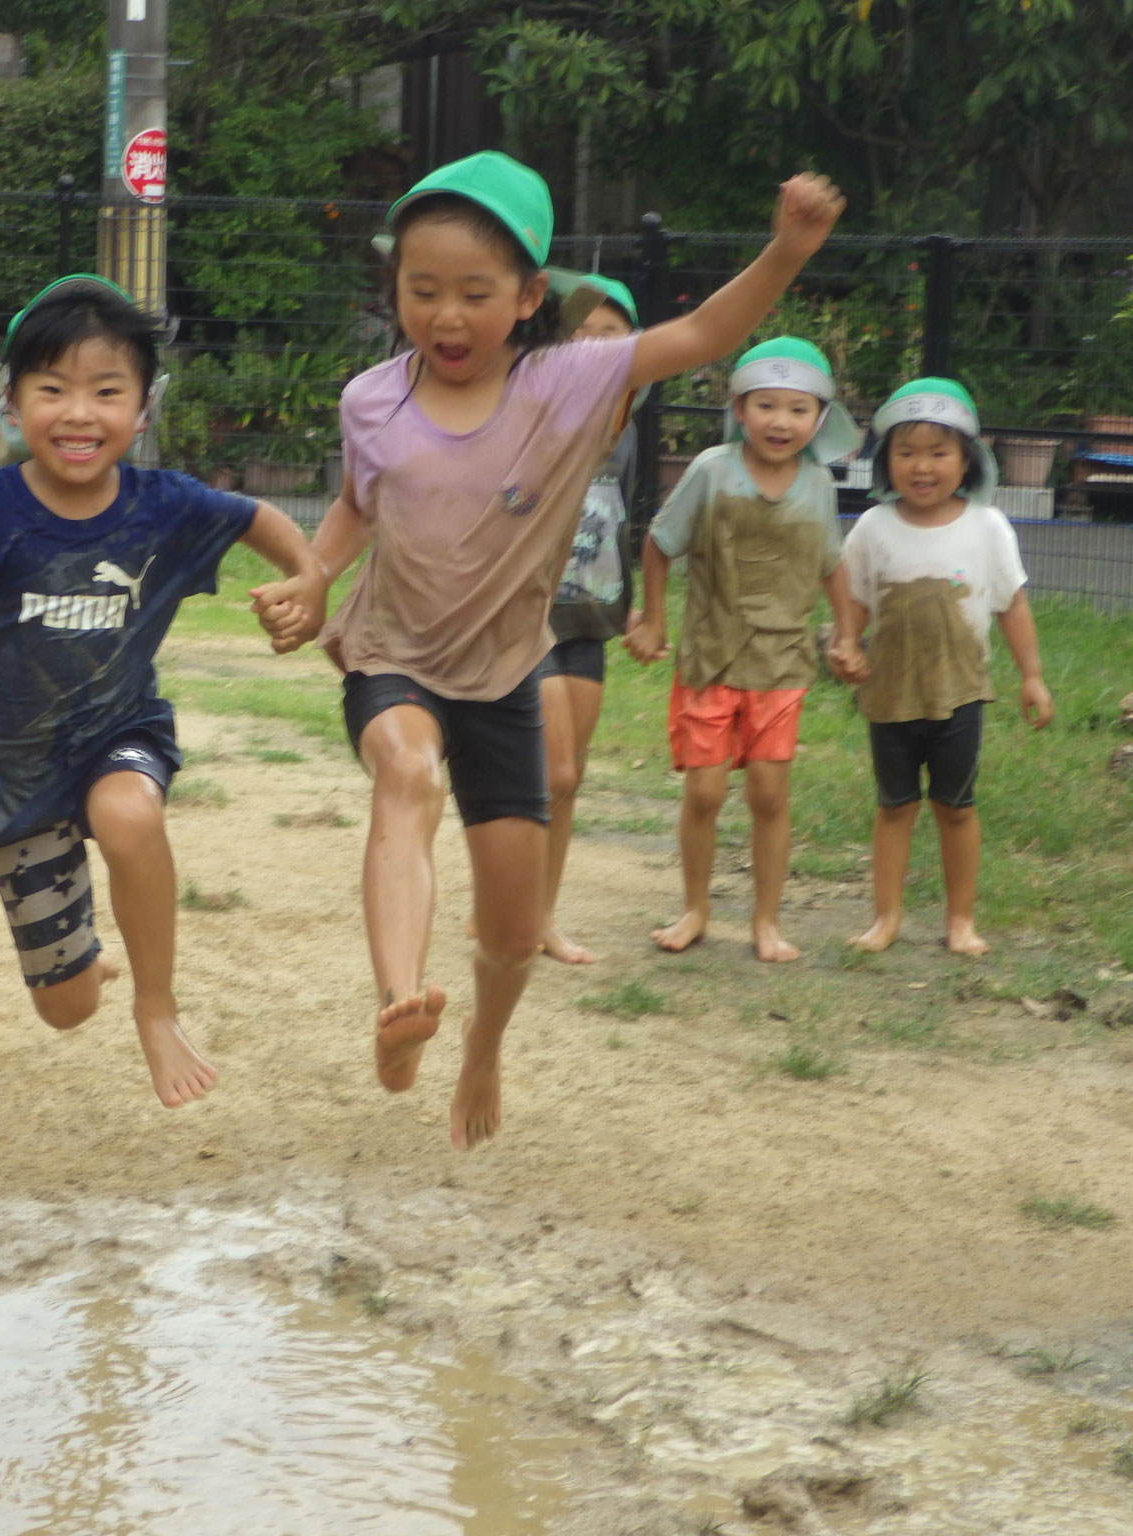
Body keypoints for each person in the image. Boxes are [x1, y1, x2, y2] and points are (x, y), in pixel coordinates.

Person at [308, 151, 843, 1150]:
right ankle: (396, 1003)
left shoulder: (572, 382)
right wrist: (311, 576)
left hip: (506, 676)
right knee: (405, 772)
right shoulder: (369, 400)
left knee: (510, 939)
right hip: (394, 656)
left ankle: (479, 1050)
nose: (446, 316)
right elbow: (352, 506)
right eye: (421, 291)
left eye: (474, 292)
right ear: (396, 292)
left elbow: (700, 334)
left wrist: (782, 252)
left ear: (525, 297)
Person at [0, 275, 328, 1110]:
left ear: (142, 409)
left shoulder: (164, 507)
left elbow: (256, 516)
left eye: (105, 391)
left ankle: (158, 1006)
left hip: (120, 730)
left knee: (127, 813)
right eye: (53, 390)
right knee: (67, 1009)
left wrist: (310, 576)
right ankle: (87, 956)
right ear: (11, 403)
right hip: (10, 772)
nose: (79, 413)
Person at [624, 336, 863, 964]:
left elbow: (832, 563)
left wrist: (845, 634)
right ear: (737, 407)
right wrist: (652, 620)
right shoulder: (710, 470)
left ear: (818, 419)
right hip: (711, 657)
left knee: (768, 794)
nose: (780, 422)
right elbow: (658, 543)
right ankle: (695, 909)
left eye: (797, 409)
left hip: (781, 663)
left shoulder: (817, 482)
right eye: (766, 405)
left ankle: (766, 921)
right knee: (703, 793)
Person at [826, 378, 1052, 955]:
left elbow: (1012, 603)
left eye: (938, 452)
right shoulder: (873, 528)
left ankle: (960, 921)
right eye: (905, 452)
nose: (921, 466)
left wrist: (1031, 676)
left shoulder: (988, 527)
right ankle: (886, 918)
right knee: (894, 807)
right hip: (890, 696)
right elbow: (851, 598)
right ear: (885, 462)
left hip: (960, 695)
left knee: (955, 808)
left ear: (966, 460)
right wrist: (848, 643)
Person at [530, 274, 641, 965]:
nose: (598, 350)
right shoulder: (532, 412)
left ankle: (539, 915)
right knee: (550, 768)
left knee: (568, 779)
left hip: (590, 621)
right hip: (528, 620)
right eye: (584, 336)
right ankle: (512, 909)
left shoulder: (627, 426)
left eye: (614, 338)